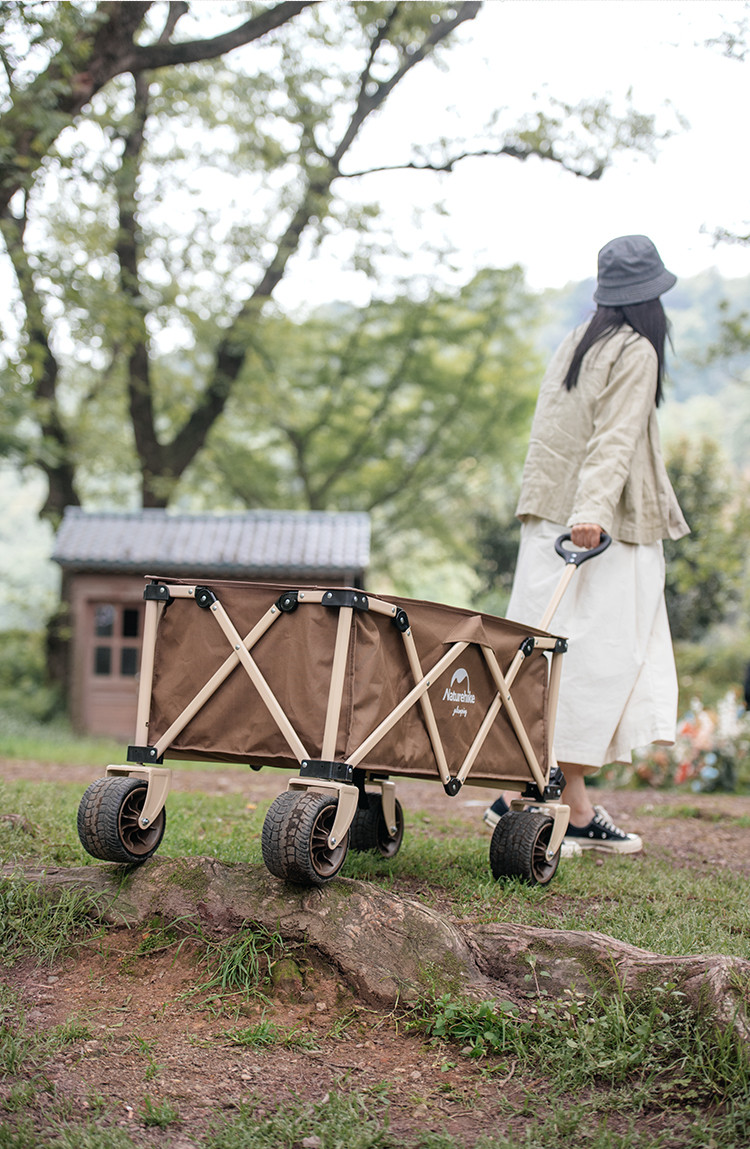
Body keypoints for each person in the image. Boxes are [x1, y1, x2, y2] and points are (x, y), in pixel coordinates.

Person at [484, 234, 689, 854]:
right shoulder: (634, 350)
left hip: (550, 520)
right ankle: (537, 799)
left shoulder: (577, 342)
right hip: (598, 532)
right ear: (651, 299)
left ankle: (568, 806)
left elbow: (551, 441)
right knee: (597, 663)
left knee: (549, 657)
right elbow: (615, 439)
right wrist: (592, 513)